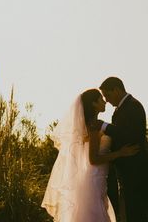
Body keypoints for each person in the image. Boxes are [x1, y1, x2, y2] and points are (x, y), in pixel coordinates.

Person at [42, 89, 139, 221]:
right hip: (94, 177)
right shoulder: (93, 127)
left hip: (97, 177)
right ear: (94, 104)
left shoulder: (92, 125)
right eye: (101, 99)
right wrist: (120, 153)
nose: (104, 102)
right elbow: (93, 159)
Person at [100, 77, 148, 222]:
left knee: (136, 213)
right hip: (126, 171)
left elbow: (130, 135)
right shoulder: (121, 109)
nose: (107, 100)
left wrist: (104, 126)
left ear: (116, 90)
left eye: (107, 95)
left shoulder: (133, 106)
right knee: (129, 213)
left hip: (135, 170)